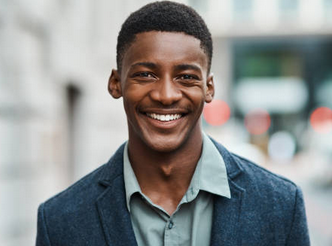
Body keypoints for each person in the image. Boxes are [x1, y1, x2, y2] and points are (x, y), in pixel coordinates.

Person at [36, 1, 310, 245]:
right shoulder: (59, 220)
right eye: (145, 74)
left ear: (209, 88)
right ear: (116, 83)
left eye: (186, 77)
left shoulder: (281, 205)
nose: (166, 95)